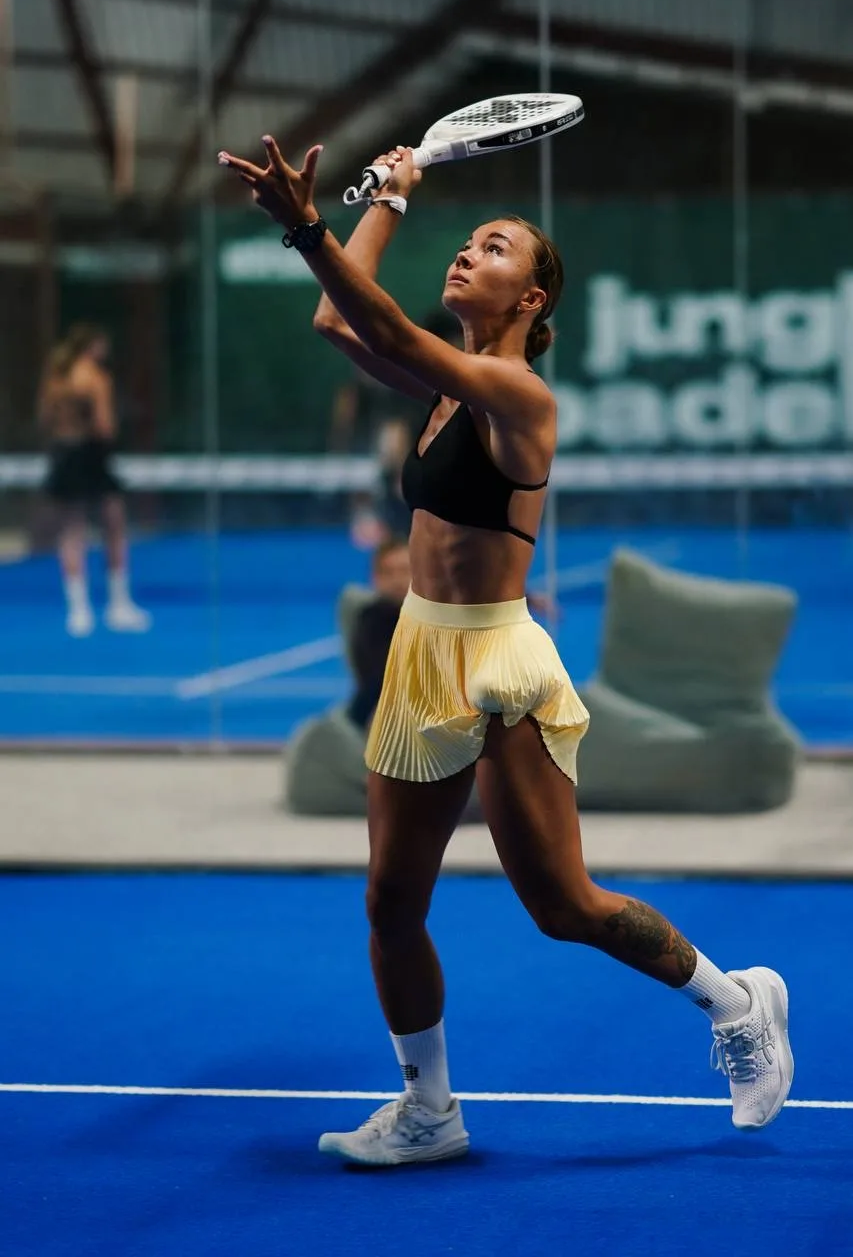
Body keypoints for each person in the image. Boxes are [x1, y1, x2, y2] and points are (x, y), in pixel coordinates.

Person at [218, 136, 794, 1166]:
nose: (465, 254)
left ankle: (736, 1001)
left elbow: (380, 320)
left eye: (492, 248)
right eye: (467, 241)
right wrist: (389, 196)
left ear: (530, 299)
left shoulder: (520, 398)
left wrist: (307, 224)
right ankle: (430, 1111)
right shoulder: (444, 390)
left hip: (496, 662)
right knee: (391, 902)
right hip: (419, 653)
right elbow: (337, 318)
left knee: (562, 905)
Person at [38, 324, 151, 638]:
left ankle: (78, 610)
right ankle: (118, 604)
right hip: (91, 454)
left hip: (63, 452)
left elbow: (44, 418)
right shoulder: (97, 378)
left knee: (71, 530)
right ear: (94, 346)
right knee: (114, 526)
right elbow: (105, 426)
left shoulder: (56, 378)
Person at [345, 538, 412, 731]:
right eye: (388, 572)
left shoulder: (435, 619)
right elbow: (382, 680)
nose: (397, 580)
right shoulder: (371, 621)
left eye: (404, 571)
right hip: (380, 715)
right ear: (375, 578)